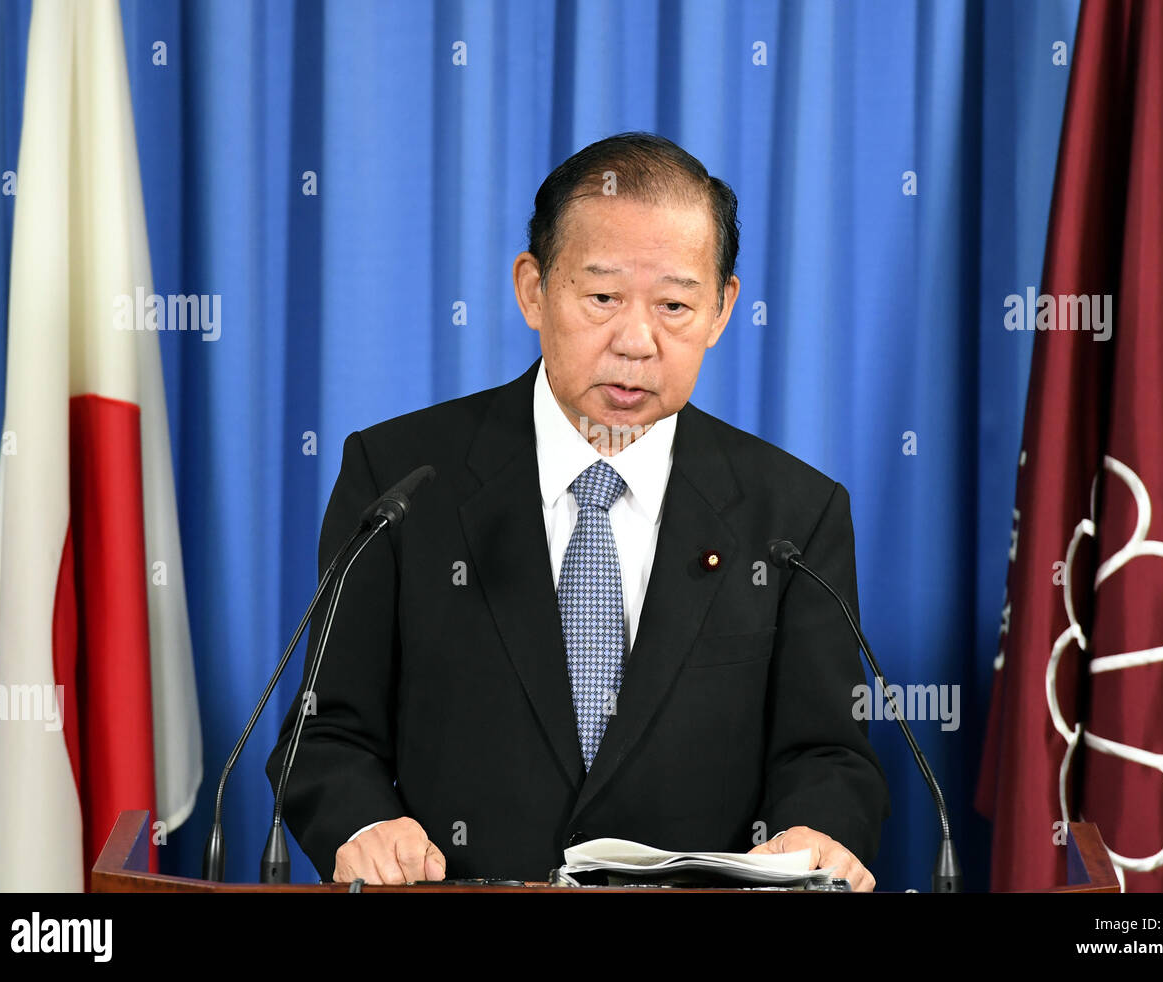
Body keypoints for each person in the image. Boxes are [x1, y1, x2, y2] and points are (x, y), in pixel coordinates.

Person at [266, 131, 889, 891]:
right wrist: (363, 826)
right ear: (533, 289)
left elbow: (828, 752)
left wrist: (814, 833)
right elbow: (325, 729)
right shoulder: (399, 478)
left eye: (675, 305)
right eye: (602, 297)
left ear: (723, 309)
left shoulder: (795, 512)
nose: (636, 341)